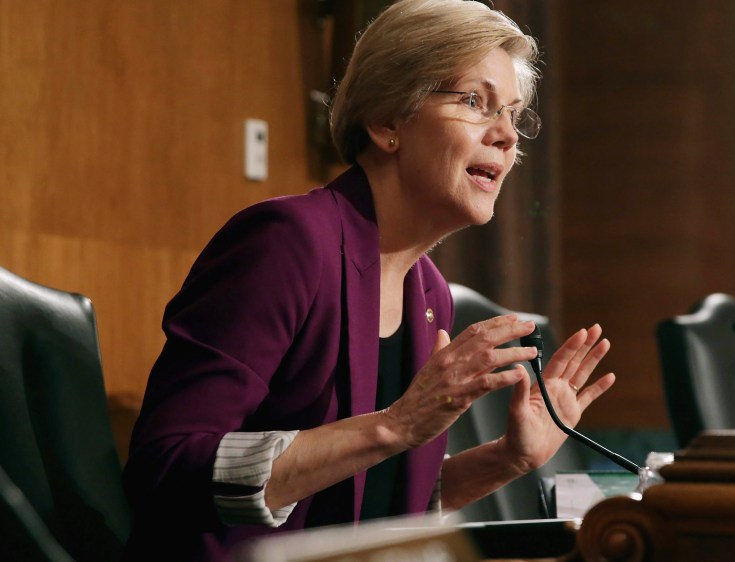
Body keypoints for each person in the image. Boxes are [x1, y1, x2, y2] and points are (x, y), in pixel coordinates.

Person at [122, 0, 616, 559]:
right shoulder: (286, 242)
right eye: (476, 102)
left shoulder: (428, 292)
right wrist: (395, 425)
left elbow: (373, 511)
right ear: (387, 122)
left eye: (513, 114)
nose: (505, 135)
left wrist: (508, 458)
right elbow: (166, 471)